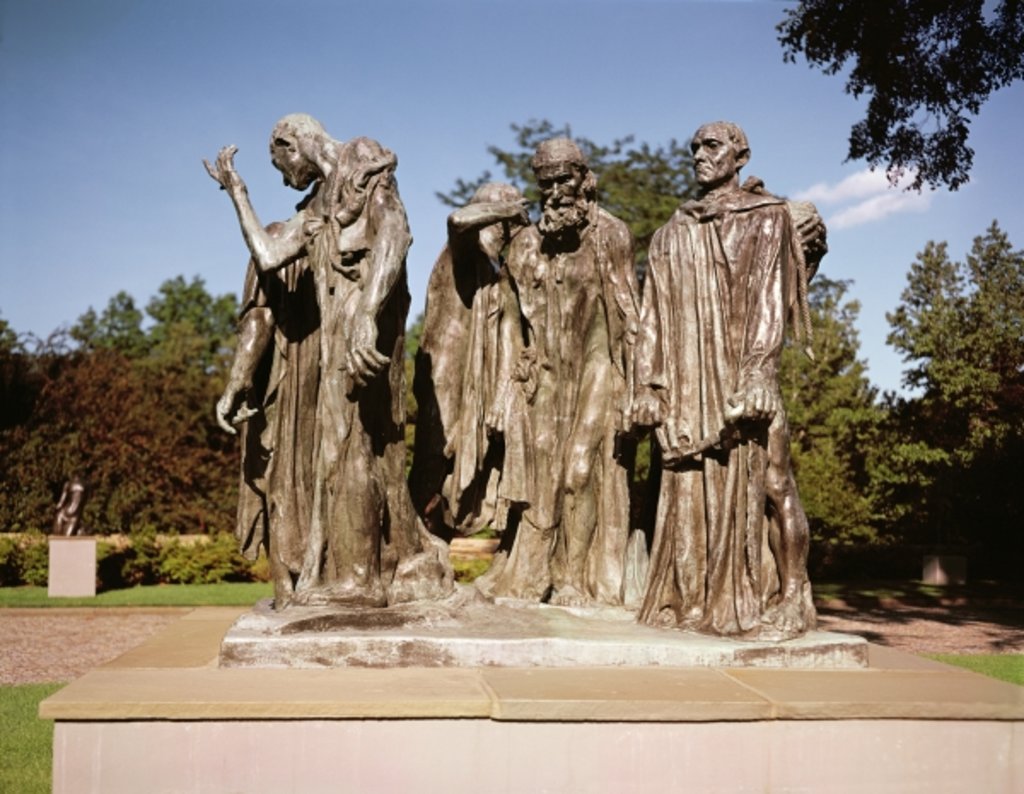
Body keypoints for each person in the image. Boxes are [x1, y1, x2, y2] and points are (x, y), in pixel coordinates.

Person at [206, 114, 452, 608]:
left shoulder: (359, 155)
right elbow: (271, 253)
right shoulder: (320, 200)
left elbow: (395, 233)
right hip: (342, 328)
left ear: (290, 143)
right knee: (339, 449)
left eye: (280, 164)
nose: (284, 177)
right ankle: (356, 570)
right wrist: (238, 192)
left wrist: (366, 313)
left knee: (349, 445)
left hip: (365, 325)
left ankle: (359, 581)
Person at [631, 121, 819, 639]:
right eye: (694, 148)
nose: (699, 155)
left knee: (775, 484)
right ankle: (696, 599)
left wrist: (759, 372)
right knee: (690, 488)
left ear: (740, 156)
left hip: (745, 377)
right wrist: (648, 386)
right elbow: (654, 317)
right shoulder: (672, 233)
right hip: (691, 385)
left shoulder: (766, 217)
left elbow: (768, 301)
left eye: (711, 146)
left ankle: (793, 594)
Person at [479, 138, 641, 606]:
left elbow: (630, 319)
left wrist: (639, 388)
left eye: (564, 180)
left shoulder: (612, 235)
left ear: (584, 179)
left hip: (597, 371)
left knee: (578, 470)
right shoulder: (525, 245)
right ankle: (537, 573)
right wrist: (509, 382)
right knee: (540, 480)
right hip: (544, 377)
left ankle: (573, 578)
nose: (554, 192)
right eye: (545, 183)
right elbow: (508, 317)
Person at [409, 183, 529, 538]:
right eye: (509, 217)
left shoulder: (499, 267)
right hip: (448, 371)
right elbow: (457, 219)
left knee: (469, 470)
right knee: (434, 460)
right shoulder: (462, 251)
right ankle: (409, 544)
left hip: (481, 379)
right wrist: (508, 209)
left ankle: (438, 548)